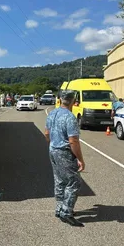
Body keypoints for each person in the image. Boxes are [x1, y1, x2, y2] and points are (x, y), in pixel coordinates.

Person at [45, 90, 85, 227]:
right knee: (74, 182)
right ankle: (66, 212)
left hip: (53, 149)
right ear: (73, 101)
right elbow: (73, 140)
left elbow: (46, 133)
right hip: (64, 152)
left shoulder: (52, 113)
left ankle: (59, 207)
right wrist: (80, 158)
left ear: (61, 100)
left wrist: (53, 144)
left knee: (59, 179)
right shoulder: (70, 117)